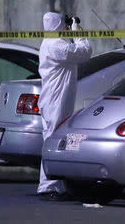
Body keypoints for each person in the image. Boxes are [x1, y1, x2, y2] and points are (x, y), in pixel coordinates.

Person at [36, 11, 92, 201]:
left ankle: (56, 184)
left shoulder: (50, 42)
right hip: (56, 99)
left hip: (54, 98)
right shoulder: (56, 45)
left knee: (54, 138)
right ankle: (48, 186)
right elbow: (85, 52)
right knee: (53, 138)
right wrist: (78, 32)